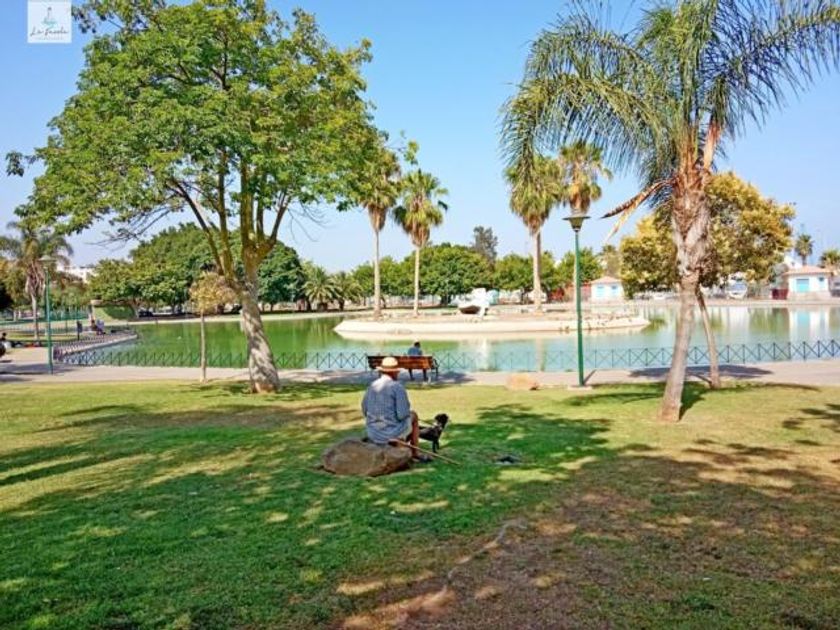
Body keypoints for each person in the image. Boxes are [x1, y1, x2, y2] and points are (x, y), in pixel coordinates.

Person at [362, 356, 420, 457]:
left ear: (382, 371)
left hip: (373, 432)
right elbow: (402, 415)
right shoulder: (397, 387)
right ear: (394, 372)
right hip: (390, 433)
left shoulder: (372, 386)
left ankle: (402, 444)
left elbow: (364, 409)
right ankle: (415, 453)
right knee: (414, 415)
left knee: (403, 419)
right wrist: (407, 410)